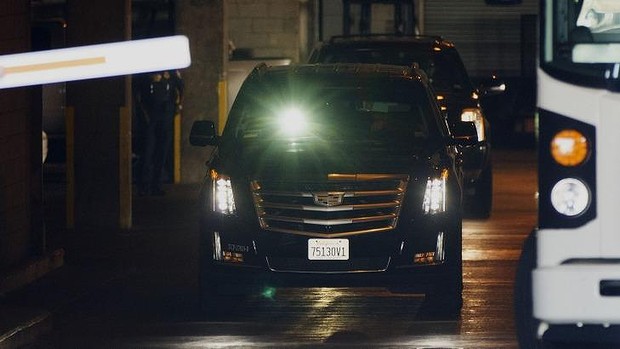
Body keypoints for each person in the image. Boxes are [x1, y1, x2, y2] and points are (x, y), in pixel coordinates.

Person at [137, 71, 175, 196]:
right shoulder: (147, 76)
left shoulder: (171, 74)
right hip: (151, 120)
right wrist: (145, 116)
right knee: (148, 153)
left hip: (165, 120)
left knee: (161, 153)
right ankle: (144, 186)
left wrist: (177, 107)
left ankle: (156, 186)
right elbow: (139, 97)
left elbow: (179, 89)